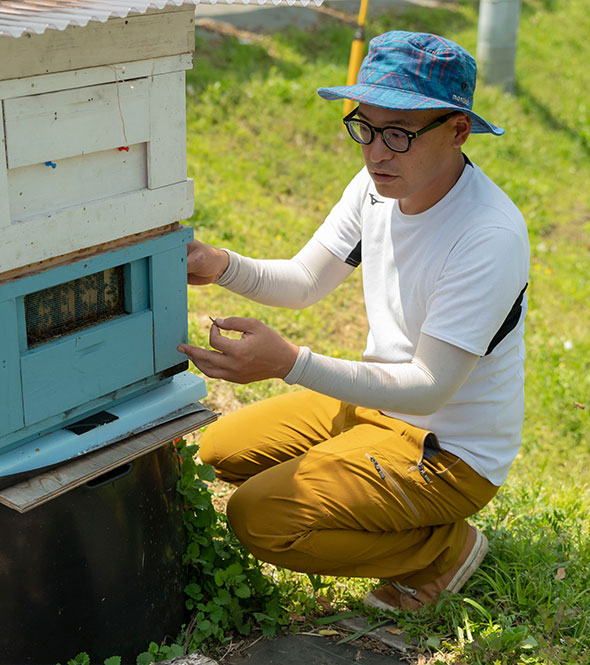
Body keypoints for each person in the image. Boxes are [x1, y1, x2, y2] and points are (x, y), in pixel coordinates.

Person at [177, 31, 529, 612]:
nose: (375, 153)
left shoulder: (487, 235)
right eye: (364, 127)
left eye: (399, 134)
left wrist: (290, 364)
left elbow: (430, 387)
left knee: (258, 518)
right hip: (375, 407)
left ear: (459, 130)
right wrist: (221, 265)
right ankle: (373, 497)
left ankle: (442, 551)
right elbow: (305, 280)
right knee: (218, 450)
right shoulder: (376, 188)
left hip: (447, 450)